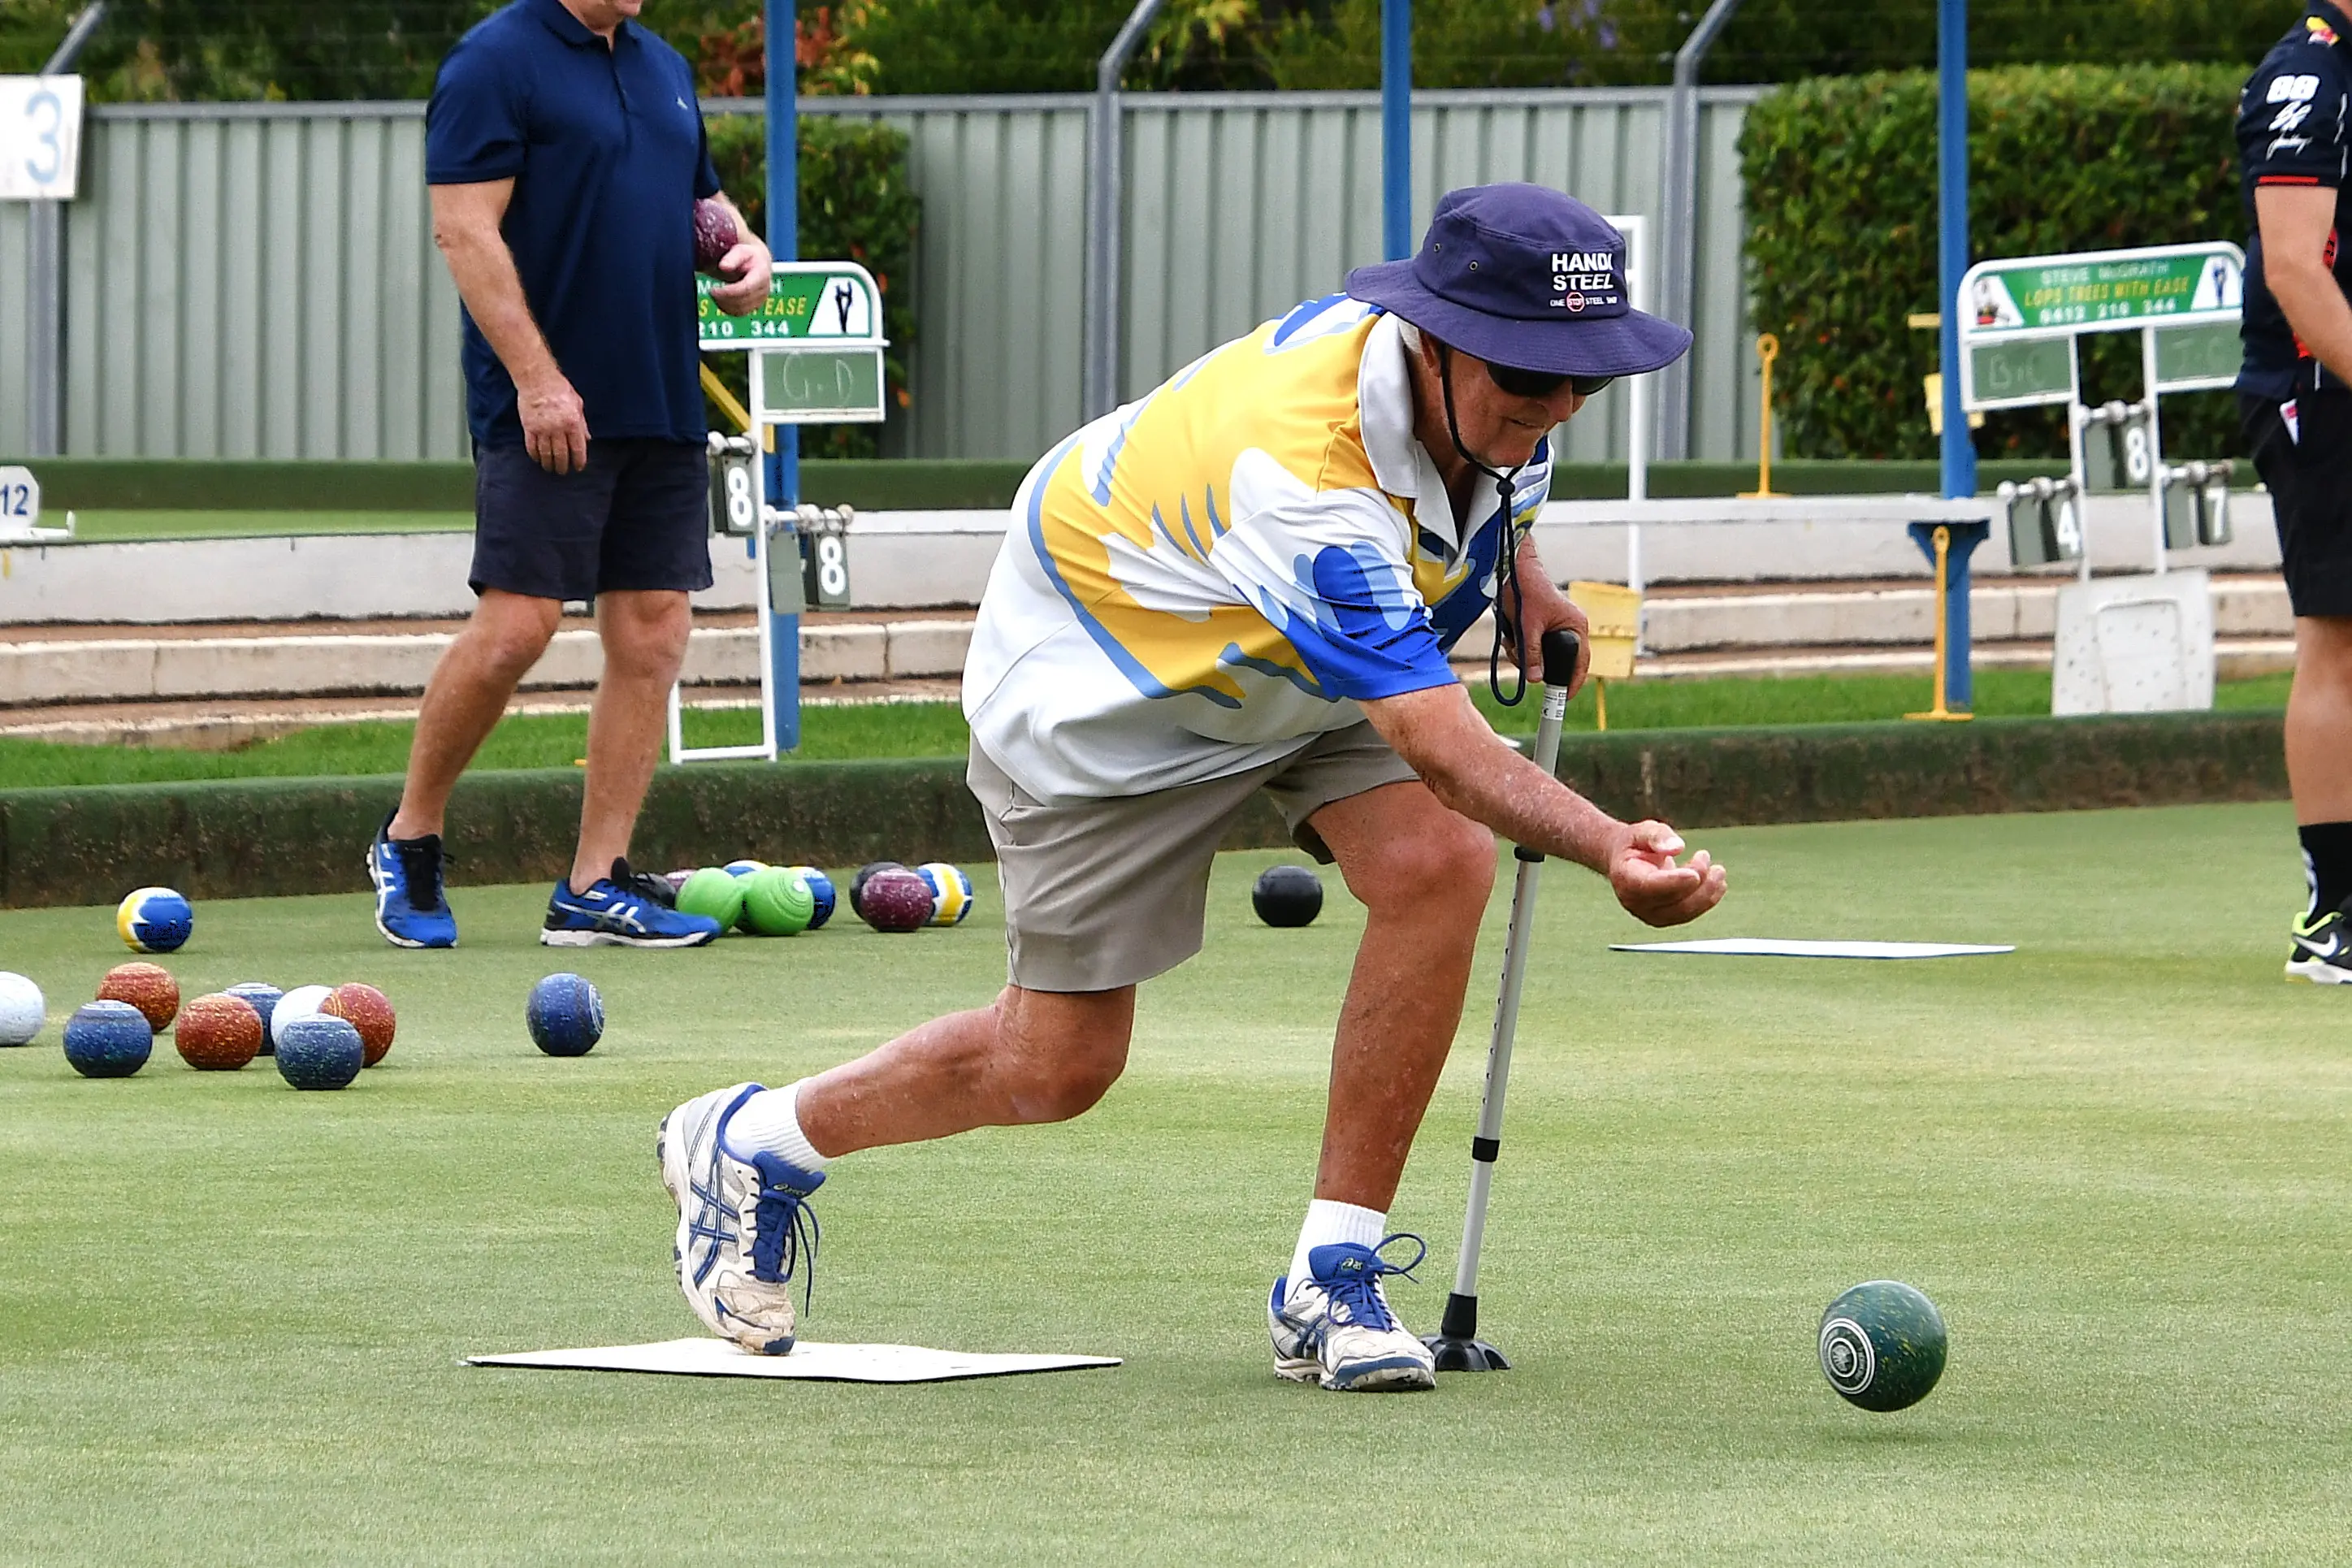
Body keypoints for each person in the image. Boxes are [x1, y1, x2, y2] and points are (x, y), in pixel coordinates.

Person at [659, 184, 1729, 1391]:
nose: (1551, 412)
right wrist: (1607, 846)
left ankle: (1330, 1281)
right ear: (1432, 341)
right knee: (1056, 1066)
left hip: (1298, 657)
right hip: (1109, 686)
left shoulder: (1481, 398)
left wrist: (1523, 573)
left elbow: (1498, 479)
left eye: (1577, 384)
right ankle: (750, 1138)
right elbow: (1438, 743)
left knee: (1439, 862)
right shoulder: (1303, 473)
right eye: (1527, 385)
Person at [367, 0, 771, 951]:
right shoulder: (492, 62)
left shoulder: (662, 64)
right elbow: (465, 232)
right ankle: (409, 837)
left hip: (661, 394)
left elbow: (696, 201)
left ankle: (595, 883)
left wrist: (737, 246)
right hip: (547, 402)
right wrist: (538, 382)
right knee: (518, 626)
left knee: (654, 628)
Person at [2239, 2, 2352, 984]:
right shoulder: (2306, 77)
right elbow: (2293, 267)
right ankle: (2335, 913)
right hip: (2323, 395)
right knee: (2338, 637)